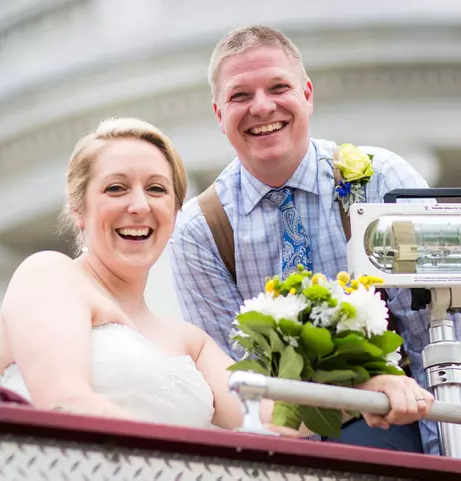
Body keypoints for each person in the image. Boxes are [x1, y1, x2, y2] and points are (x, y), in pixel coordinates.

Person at [0, 117, 431, 441]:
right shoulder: (49, 274)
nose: (139, 206)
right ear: (78, 210)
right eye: (115, 188)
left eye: (157, 189)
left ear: (174, 212)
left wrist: (368, 385)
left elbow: (276, 420)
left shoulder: (190, 342)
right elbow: (63, 401)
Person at [170, 25, 439, 453]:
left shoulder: (381, 180)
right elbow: (233, 383)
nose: (262, 106)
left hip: (394, 429)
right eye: (240, 95)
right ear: (219, 115)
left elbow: (433, 339)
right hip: (279, 444)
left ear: (308, 95)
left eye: (278, 87)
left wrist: (443, 456)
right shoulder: (199, 231)